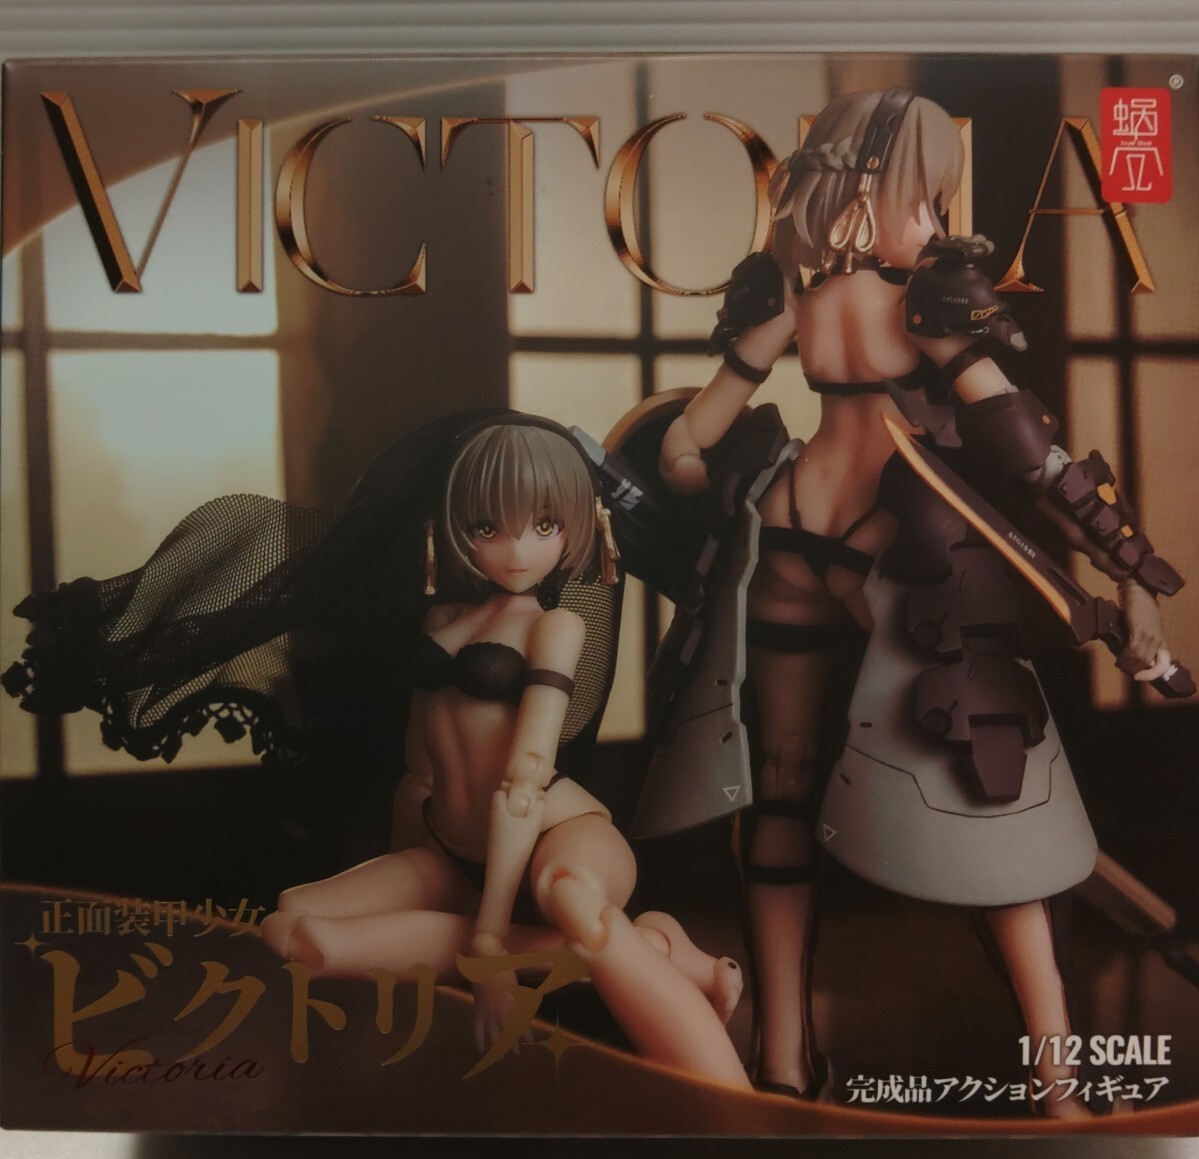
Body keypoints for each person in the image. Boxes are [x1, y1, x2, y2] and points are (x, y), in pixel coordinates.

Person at [654, 88, 1182, 1115]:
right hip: (890, 543)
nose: (935, 223)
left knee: (783, 793)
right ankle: (1056, 1079)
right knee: (997, 788)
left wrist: (680, 465)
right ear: (866, 190)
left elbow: (692, 433)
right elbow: (1029, 455)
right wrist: (1130, 566)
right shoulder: (927, 300)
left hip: (789, 533)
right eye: (924, 200)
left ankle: (783, 1060)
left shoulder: (787, 295)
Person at [5, 411, 748, 1088]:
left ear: (576, 527)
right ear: (455, 526)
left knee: (573, 902)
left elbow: (524, 779)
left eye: (545, 525)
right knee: (294, 927)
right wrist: (425, 877)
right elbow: (420, 771)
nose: (520, 548)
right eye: (489, 526)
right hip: (452, 852)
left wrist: (492, 943)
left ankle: (727, 1098)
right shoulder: (442, 622)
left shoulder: (554, 627)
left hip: (555, 835)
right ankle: (654, 949)